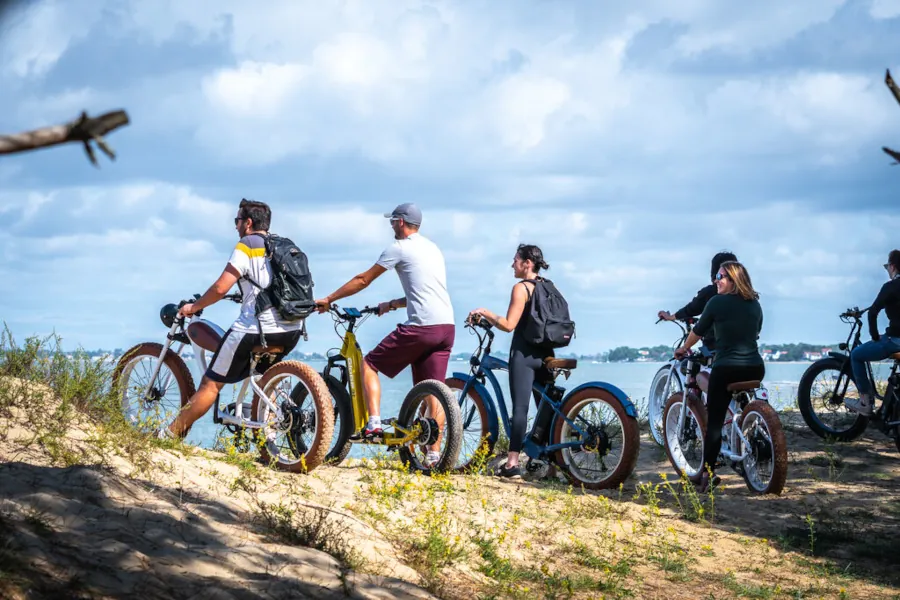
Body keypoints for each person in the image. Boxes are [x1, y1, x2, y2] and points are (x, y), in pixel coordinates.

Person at [314, 203, 455, 466]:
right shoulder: (433, 249)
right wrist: (392, 304)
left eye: (392, 221)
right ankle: (434, 456)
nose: (390, 225)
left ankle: (374, 424)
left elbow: (363, 279)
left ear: (401, 222)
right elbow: (424, 292)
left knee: (369, 364)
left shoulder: (399, 248)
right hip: (446, 327)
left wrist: (329, 298)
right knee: (433, 391)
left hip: (421, 327)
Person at [162, 198, 305, 438]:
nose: (235, 226)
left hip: (256, 329)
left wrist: (194, 306)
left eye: (237, 220)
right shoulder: (283, 246)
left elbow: (220, 288)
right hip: (292, 328)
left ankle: (167, 436)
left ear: (248, 223)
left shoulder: (247, 245)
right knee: (263, 380)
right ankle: (267, 440)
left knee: (211, 384)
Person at [675, 260, 764, 492]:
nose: (716, 279)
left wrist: (684, 349)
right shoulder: (755, 304)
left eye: (721, 276)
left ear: (733, 280)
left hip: (726, 368)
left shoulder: (716, 302)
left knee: (713, 424)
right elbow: (756, 332)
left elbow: (697, 331)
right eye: (716, 275)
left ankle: (708, 474)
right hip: (755, 367)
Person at [468, 244, 553, 480]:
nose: (512, 264)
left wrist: (484, 312)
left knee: (520, 409)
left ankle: (513, 464)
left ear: (527, 263)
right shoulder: (548, 286)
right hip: (547, 353)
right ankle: (553, 463)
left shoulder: (521, 288)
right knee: (547, 408)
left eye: (515, 260)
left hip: (525, 355)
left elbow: (508, 325)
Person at [845, 249, 900, 416]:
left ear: (892, 267)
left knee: (856, 354)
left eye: (887, 267)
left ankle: (865, 403)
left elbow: (873, 312)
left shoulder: (890, 287)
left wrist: (875, 336)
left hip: (895, 340)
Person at [658, 251, 738, 352]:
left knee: (697, 360)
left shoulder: (713, 296)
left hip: (717, 351)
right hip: (748, 355)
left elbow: (694, 315)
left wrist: (683, 348)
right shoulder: (751, 299)